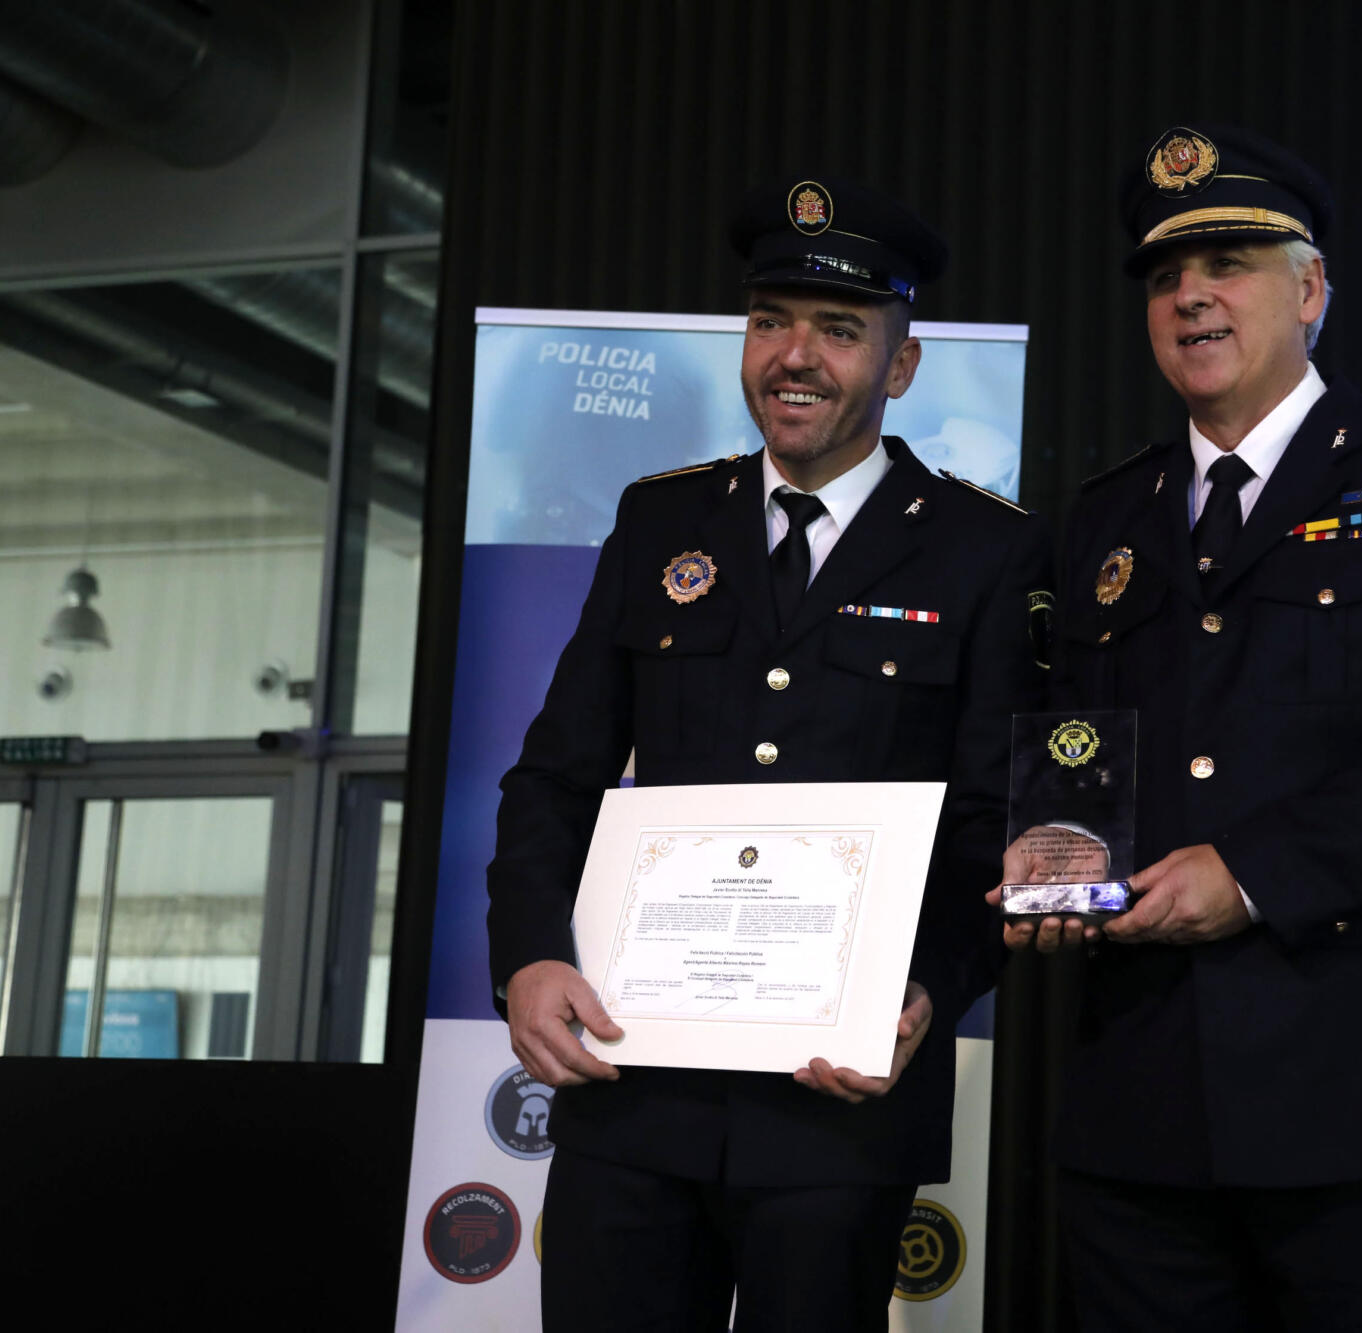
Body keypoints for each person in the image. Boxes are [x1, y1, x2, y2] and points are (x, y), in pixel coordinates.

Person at [994, 125, 1362, 1329]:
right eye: (1164, 275)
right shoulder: (1104, 517)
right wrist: (1053, 861)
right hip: (1144, 1106)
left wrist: (1252, 874)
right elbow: (1071, 748)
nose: (1189, 295)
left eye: (1227, 263)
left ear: (1309, 291)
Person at [489, 175, 1052, 1332]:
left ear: (900, 365)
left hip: (835, 1105)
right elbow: (557, 773)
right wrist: (529, 957)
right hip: (631, 1089)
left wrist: (927, 986)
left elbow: (995, 820)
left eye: (838, 329)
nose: (794, 356)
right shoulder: (660, 521)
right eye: (768, 321)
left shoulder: (985, 551)